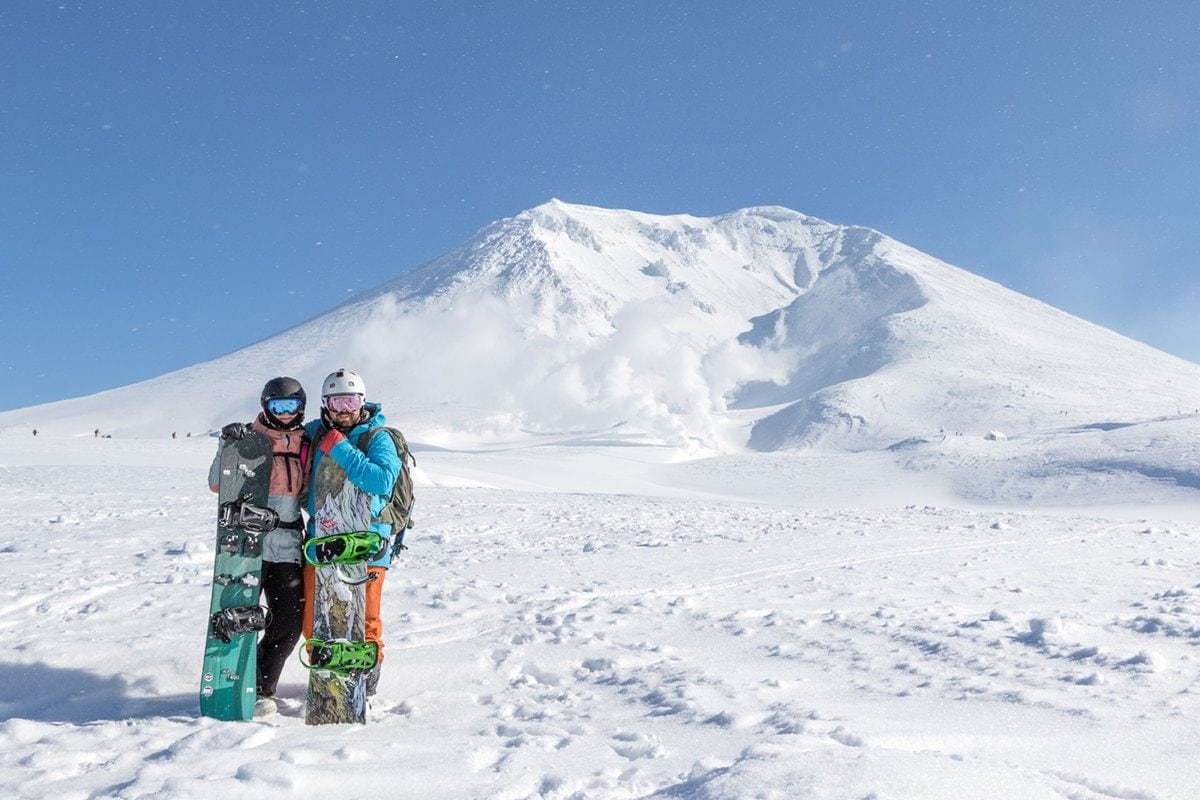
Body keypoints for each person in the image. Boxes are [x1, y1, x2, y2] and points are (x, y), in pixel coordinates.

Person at [208, 376, 310, 708]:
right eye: (277, 406)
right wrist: (227, 444)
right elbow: (216, 483)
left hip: (288, 547)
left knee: (288, 624)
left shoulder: (305, 443)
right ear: (265, 406)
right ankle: (233, 681)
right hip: (247, 545)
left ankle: (261, 687)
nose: (284, 413)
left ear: (301, 408)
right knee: (242, 617)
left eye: (291, 406)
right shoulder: (248, 440)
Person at [303, 368, 401, 695]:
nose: (344, 410)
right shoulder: (315, 433)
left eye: (351, 401)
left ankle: (367, 673)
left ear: (362, 402)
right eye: (336, 402)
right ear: (325, 404)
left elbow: (380, 481)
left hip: (368, 541)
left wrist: (340, 448)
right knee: (313, 617)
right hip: (323, 543)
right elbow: (283, 441)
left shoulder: (377, 437)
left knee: (365, 616)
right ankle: (326, 674)